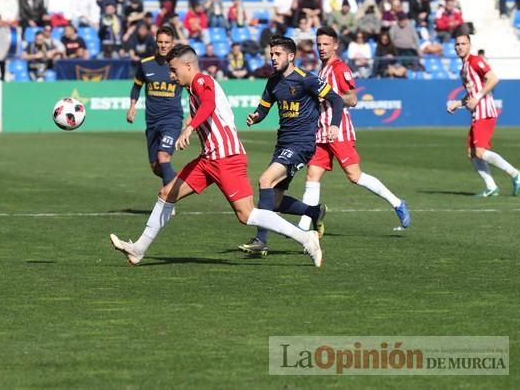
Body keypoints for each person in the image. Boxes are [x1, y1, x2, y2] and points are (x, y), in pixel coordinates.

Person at [110, 44, 324, 267]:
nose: (171, 76)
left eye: (174, 70)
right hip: (208, 160)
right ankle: (138, 250)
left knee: (247, 215)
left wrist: (190, 127)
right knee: (166, 193)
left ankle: (305, 237)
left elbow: (209, 104)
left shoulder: (203, 81)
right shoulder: (191, 89)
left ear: (188, 66)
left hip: (227, 158)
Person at [295, 26, 411, 234]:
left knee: (354, 176)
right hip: (322, 131)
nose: (321, 48)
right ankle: (302, 228)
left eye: (326, 44)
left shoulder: (340, 68)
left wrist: (329, 96)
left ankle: (397, 203)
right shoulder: (322, 69)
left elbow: (353, 98)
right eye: (319, 44)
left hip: (338, 130)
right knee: (312, 176)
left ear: (336, 46)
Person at [238, 36, 344, 255]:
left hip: (302, 143)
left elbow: (337, 99)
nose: (273, 59)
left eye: (278, 54)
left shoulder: (307, 80)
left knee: (265, 180)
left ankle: (261, 240)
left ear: (291, 56)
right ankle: (314, 212)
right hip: (283, 143)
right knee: (274, 202)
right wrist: (256, 117)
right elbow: (264, 108)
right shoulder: (273, 81)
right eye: (271, 54)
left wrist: (334, 125)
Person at [446, 33, 520, 197]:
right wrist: (458, 104)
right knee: (471, 153)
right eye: (457, 44)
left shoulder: (476, 61)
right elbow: (471, 94)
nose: (460, 47)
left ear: (469, 45)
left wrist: (477, 97)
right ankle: (491, 187)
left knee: (480, 152)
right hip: (476, 113)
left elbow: (493, 79)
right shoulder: (463, 68)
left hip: (485, 111)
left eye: (463, 44)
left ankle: (515, 173)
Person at [127, 26, 184, 189]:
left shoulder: (179, 65)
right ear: (156, 42)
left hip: (172, 119)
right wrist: (132, 107)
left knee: (164, 156)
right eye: (160, 42)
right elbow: (136, 87)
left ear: (173, 44)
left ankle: (168, 201)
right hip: (152, 121)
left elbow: (193, 89)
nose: (163, 45)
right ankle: (178, 181)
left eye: (167, 42)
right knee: (156, 166)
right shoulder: (145, 64)